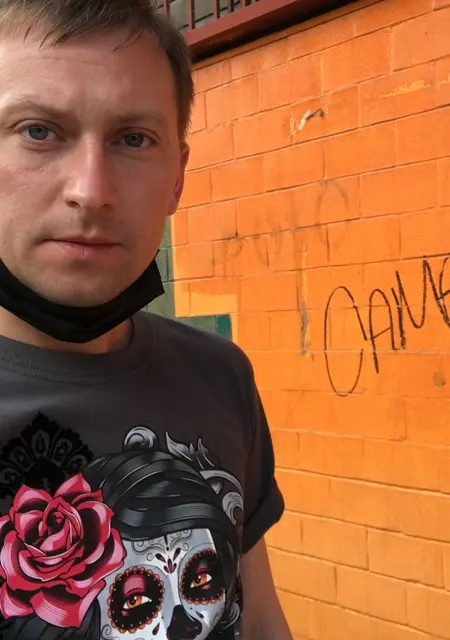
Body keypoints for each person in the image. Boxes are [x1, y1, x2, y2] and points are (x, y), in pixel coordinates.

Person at [0, 2, 292, 639]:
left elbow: (259, 620)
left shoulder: (220, 377)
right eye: (38, 131)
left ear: (178, 177)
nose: (91, 191)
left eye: (134, 139)